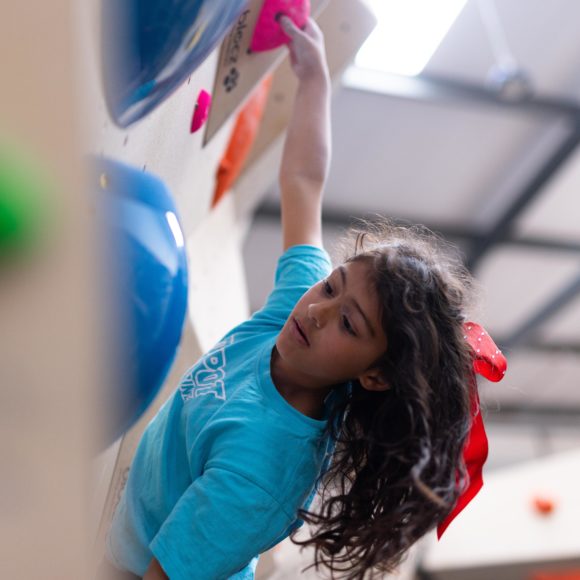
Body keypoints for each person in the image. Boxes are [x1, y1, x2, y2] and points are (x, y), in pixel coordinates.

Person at [103, 15, 505, 580]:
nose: (317, 312)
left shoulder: (263, 469)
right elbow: (303, 184)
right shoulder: (298, 310)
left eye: (349, 324)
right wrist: (314, 80)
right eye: (330, 285)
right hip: (139, 514)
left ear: (374, 376)